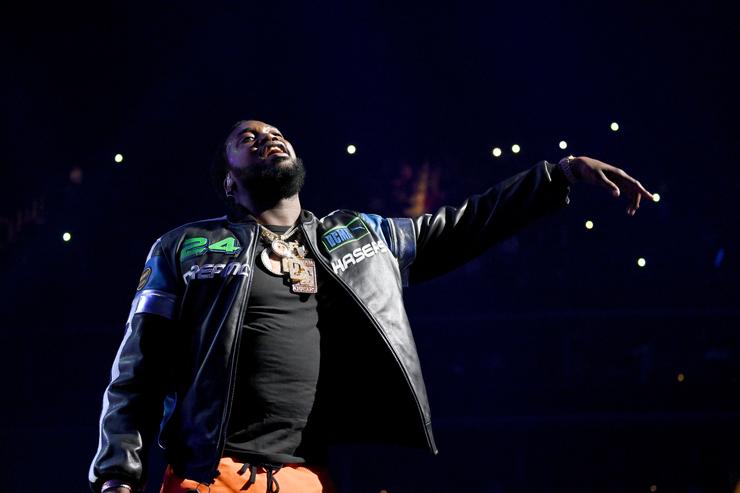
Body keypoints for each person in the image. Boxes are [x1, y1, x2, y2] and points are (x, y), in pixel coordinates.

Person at [88, 119, 654, 493]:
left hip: (311, 477)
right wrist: (118, 475)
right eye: (248, 138)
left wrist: (559, 175)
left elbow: (464, 225)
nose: (267, 138)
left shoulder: (360, 237)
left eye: (275, 133)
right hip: (211, 474)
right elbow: (137, 369)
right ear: (228, 181)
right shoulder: (185, 246)